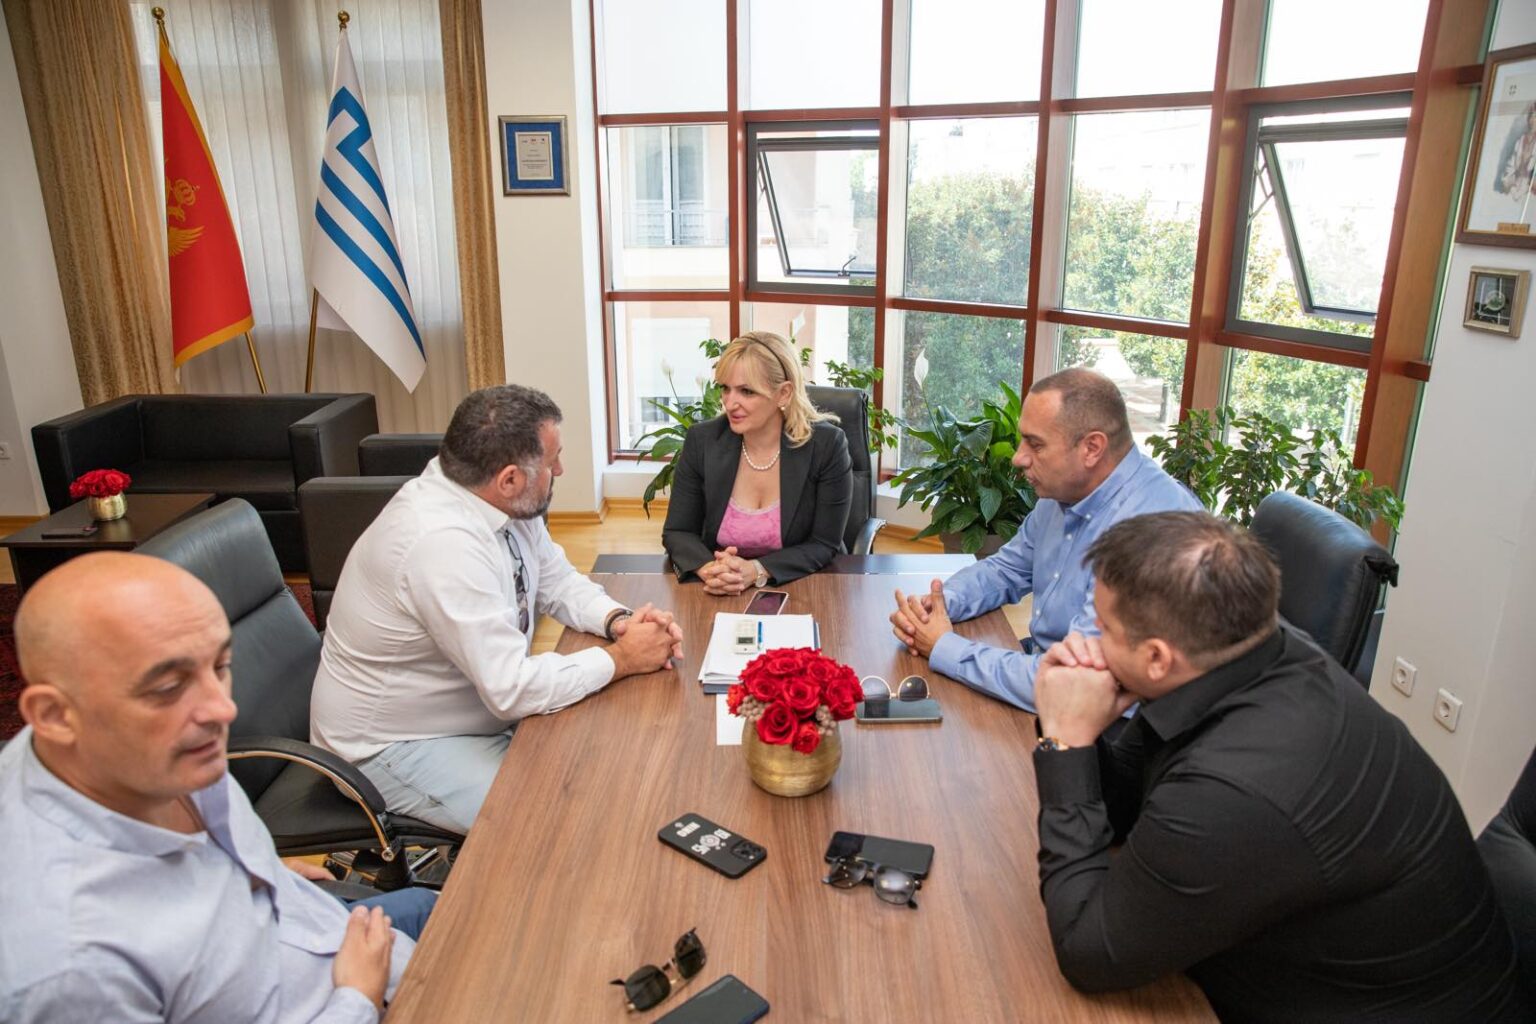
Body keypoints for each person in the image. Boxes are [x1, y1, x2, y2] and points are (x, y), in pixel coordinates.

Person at [1030, 512, 1530, 1022]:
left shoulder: (1236, 787)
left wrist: (1065, 743)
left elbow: (1088, 952)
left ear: (1158, 658)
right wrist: (1074, 723)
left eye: (1104, 628)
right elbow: (1124, 806)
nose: (1091, 639)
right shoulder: (1241, 652)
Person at [0, 552, 435, 1023]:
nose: (222, 709)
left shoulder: (147, 755)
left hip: (315, 925)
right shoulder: (71, 967)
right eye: (169, 687)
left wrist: (255, 870)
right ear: (53, 716)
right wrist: (357, 999)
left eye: (221, 665)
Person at [310, 384, 682, 834]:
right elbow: (511, 688)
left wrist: (618, 622)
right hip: (391, 744)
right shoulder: (441, 543)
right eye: (552, 461)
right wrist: (622, 659)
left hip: (474, 710)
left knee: (599, 764)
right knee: (553, 824)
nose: (560, 470)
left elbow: (557, 580)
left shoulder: (495, 499)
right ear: (509, 479)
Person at [889, 367, 1200, 711]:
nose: (1018, 457)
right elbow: (1006, 570)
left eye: (1035, 444)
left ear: (1092, 448)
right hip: (1044, 664)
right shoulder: (1063, 491)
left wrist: (945, 647)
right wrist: (940, 604)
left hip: (1107, 719)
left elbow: (1072, 684)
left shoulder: (1152, 532)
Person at [662, 331, 853, 593]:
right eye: (725, 388)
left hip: (803, 584)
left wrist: (756, 570)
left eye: (746, 391)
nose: (730, 403)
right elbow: (678, 531)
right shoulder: (702, 441)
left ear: (783, 393)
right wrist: (710, 570)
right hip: (719, 588)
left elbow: (824, 543)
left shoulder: (826, 446)